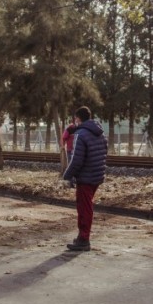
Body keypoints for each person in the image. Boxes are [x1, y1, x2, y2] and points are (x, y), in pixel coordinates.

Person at [62, 106, 108, 251]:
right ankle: (82, 237)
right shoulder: (100, 132)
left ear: (78, 118)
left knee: (84, 209)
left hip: (85, 177)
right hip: (97, 175)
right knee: (87, 206)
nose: (75, 121)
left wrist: (66, 176)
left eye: (75, 119)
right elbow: (104, 151)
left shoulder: (81, 134)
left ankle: (84, 239)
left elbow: (76, 160)